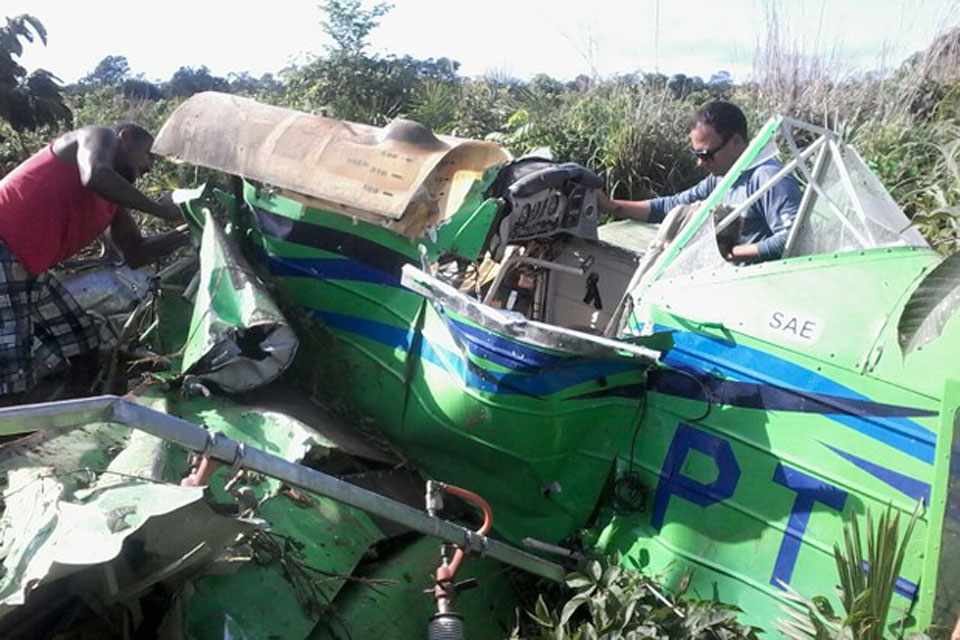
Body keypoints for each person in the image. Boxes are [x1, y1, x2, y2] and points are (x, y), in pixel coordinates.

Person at [0, 122, 190, 397]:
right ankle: (15, 432)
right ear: (124, 138)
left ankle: (75, 415)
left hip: (28, 267)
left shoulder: (112, 198)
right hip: (5, 251)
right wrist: (161, 210)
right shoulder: (98, 135)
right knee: (11, 376)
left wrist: (188, 231)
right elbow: (95, 175)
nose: (150, 166)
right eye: (149, 154)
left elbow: (136, 252)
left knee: (83, 344)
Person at [599, 101, 801, 263]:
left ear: (736, 143)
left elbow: (795, 237)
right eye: (696, 154)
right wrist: (613, 206)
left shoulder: (769, 178)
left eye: (706, 154)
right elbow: (673, 206)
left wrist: (728, 254)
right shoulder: (722, 178)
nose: (699, 163)